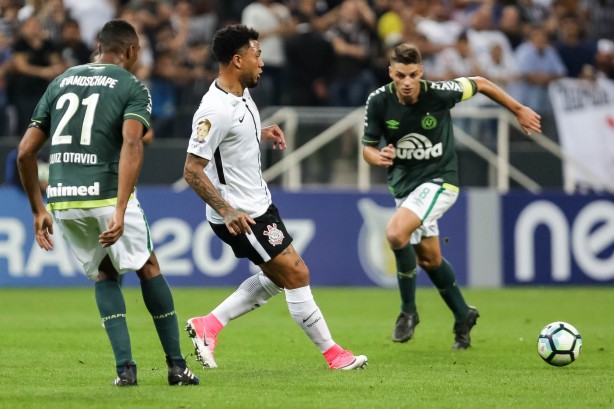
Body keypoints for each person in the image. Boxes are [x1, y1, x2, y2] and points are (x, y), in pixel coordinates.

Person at [16, 19, 199, 387]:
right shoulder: (132, 86)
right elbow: (133, 143)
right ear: (131, 50)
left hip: (64, 198)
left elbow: (24, 153)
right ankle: (177, 367)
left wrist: (39, 210)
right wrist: (119, 208)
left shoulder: (61, 80)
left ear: (100, 46)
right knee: (148, 265)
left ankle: (125, 372)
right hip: (104, 192)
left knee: (104, 273)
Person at [183, 24, 367, 371]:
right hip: (243, 215)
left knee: (277, 278)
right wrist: (227, 210)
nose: (262, 62)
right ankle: (334, 355)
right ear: (237, 60)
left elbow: (232, 137)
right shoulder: (215, 110)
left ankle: (209, 325)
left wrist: (259, 132)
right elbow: (192, 170)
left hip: (258, 205)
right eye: (257, 54)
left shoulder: (240, 93)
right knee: (297, 273)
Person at [362, 43, 541, 349]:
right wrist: (377, 157)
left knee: (394, 233)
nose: (407, 82)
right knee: (430, 259)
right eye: (400, 75)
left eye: (413, 75)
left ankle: (408, 312)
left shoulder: (439, 93)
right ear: (391, 72)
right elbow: (367, 147)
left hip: (440, 181)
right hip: (405, 186)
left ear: (421, 72)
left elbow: (482, 83)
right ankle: (463, 313)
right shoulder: (378, 101)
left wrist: (519, 109)